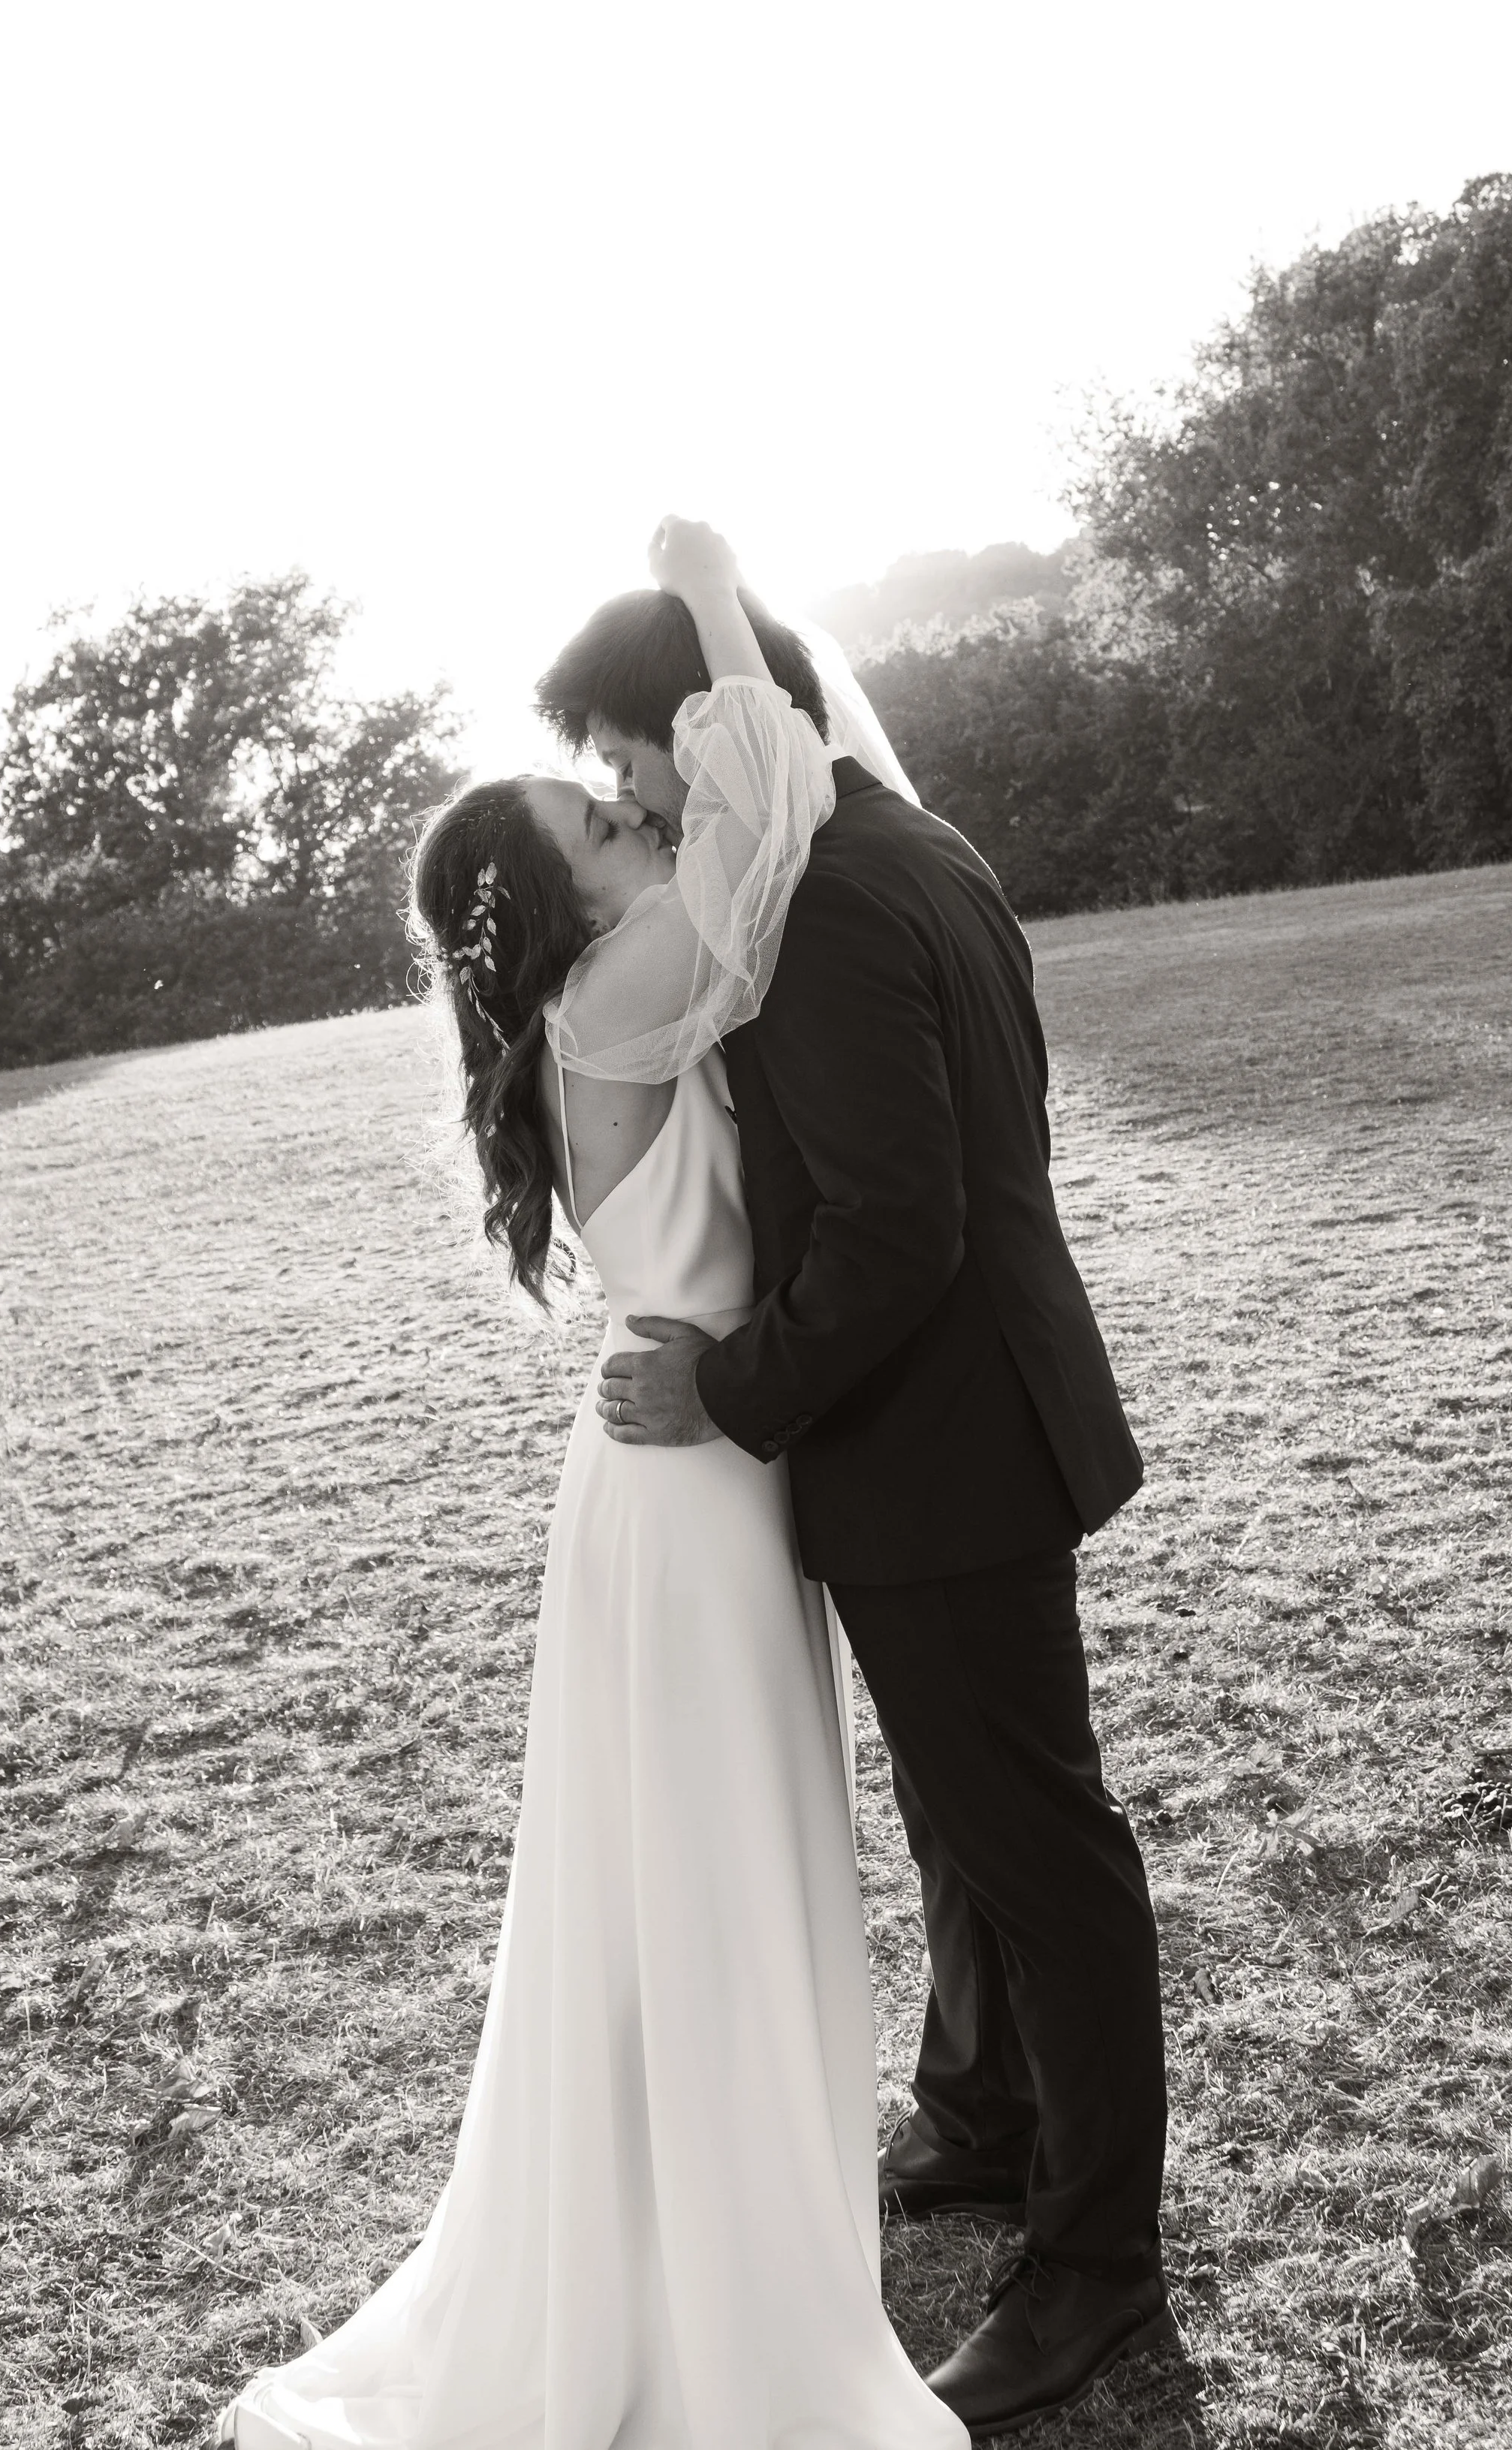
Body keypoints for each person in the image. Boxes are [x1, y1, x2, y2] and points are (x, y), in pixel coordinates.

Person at [215, 524, 965, 2450]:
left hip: (683, 1464)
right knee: (715, 1865)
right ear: (559, 900)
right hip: (689, 1480)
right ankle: (723, 2284)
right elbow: (778, 791)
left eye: (615, 799)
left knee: (689, 1866)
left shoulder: (611, 992)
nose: (632, 811)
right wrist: (709, 592)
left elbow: (747, 814)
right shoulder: (625, 991)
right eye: (600, 820)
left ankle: (698, 2228)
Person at [540, 544, 1171, 2438]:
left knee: (1036, 1852)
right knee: (965, 1824)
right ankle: (978, 2120)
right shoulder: (924, 845)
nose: (626, 795)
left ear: (697, 723)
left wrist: (724, 1389)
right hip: (981, 1418)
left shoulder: (812, 904)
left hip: (935, 1445)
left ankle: (1093, 2269)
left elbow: (895, 1229)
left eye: (618, 756)